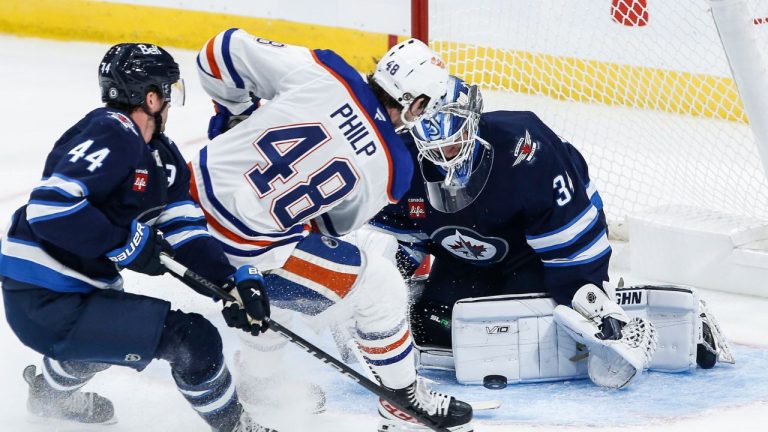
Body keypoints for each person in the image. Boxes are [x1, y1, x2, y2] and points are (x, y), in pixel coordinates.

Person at [366, 75, 734, 390]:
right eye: (436, 145)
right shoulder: (399, 163)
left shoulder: (525, 146)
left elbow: (572, 236)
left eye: (456, 135)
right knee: (433, 325)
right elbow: (408, 238)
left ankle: (655, 317)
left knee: (555, 324)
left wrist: (584, 295)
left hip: (536, 256)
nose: (448, 152)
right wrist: (377, 290)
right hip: (467, 265)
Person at [192, 28, 473, 431]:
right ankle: (404, 399)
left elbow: (218, 51)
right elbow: (334, 224)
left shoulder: (328, 70)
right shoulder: (395, 166)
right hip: (240, 248)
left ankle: (260, 380)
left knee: (294, 267)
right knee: (377, 285)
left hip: (185, 203)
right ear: (416, 102)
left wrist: (235, 116)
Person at [0, 43, 275, 432]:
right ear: (150, 97)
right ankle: (240, 428)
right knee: (194, 341)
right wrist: (127, 244)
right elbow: (51, 209)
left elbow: (185, 233)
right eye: (166, 92)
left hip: (77, 295)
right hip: (44, 299)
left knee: (109, 339)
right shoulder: (112, 132)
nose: (168, 103)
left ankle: (48, 396)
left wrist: (231, 281)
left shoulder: (160, 157)